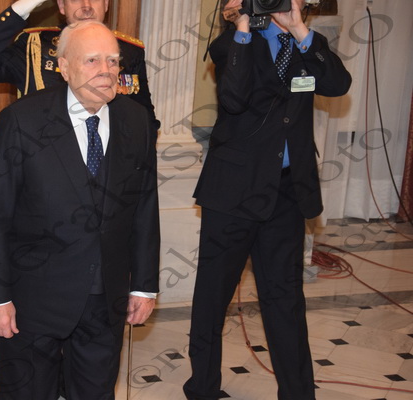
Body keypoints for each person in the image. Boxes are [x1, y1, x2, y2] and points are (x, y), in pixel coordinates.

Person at [0, 20, 160, 400]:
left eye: (112, 60)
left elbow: (144, 209)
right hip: (32, 300)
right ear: (64, 67)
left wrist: (143, 285)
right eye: (92, 60)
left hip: (105, 299)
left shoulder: (136, 120)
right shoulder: (21, 120)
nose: (106, 70)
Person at [183, 0, 351, 399]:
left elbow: (337, 84)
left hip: (287, 192)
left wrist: (298, 29)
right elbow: (233, 99)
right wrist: (243, 24)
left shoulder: (307, 44)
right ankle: (202, 388)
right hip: (233, 192)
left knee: (285, 298)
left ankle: (298, 393)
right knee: (213, 295)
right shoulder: (231, 43)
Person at [0, 0, 160, 135]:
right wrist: (19, 9)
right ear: (61, 6)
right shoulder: (34, 45)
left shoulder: (129, 51)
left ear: (106, 4)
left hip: (109, 162)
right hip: (48, 159)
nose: (86, 7)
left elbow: (145, 121)